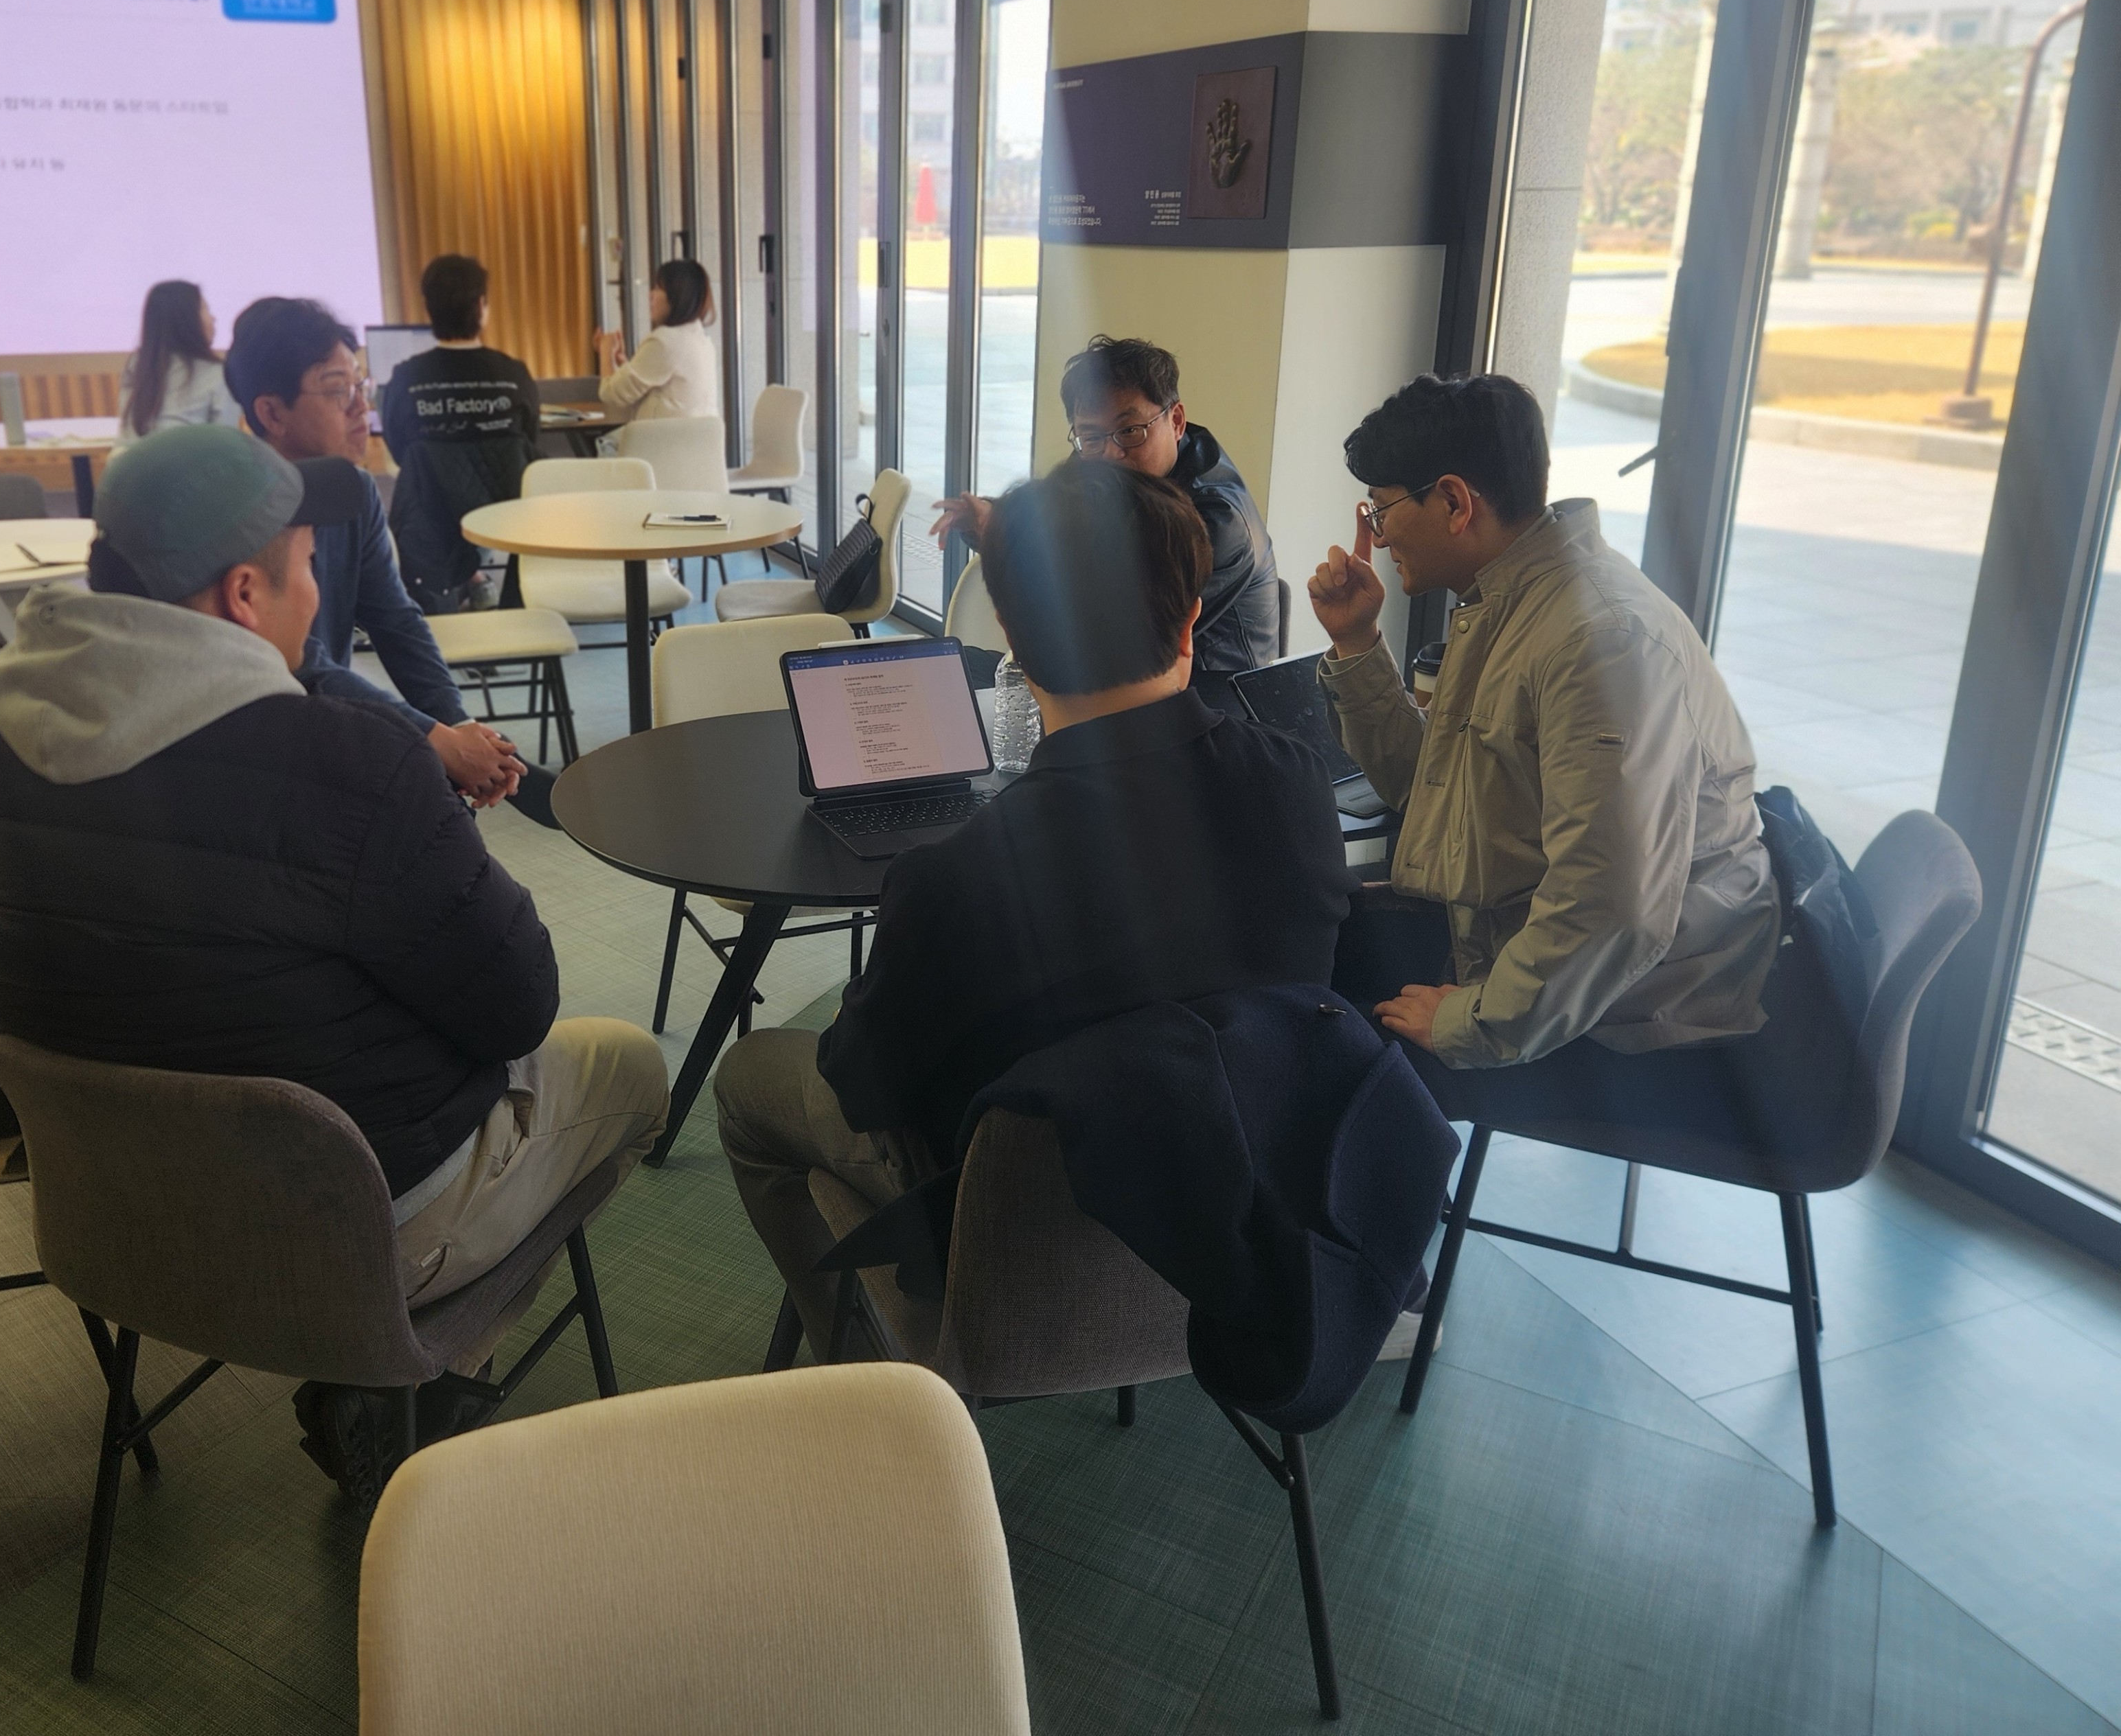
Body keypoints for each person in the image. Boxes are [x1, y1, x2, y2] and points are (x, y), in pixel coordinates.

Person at [0, 424, 667, 1495]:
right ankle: (412, 1367)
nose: (319, 598)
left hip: (112, 1218)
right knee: (632, 1069)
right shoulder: (350, 765)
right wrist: (434, 826)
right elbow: (519, 1005)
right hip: (353, 1229)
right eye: (307, 571)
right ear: (245, 594)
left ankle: (383, 1373)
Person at [715, 456, 1355, 1356]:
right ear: (1191, 618)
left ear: (1012, 632)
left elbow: (865, 1087)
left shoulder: (954, 878)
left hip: (1015, 1242)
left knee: (748, 1081)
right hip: (1244, 1232)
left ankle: (868, 1373)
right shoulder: (1296, 786)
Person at [1306, 372, 1777, 1117]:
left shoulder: (1599, 641)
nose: (1378, 535)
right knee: (1306, 940)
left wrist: (1466, 1024)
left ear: (1455, 502)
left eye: (1382, 509)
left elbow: (1613, 911)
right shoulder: (1512, 601)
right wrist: (1357, 641)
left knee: (1311, 1022)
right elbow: (1433, 796)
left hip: (1636, 1006)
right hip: (1555, 951)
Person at [225, 294, 531, 813]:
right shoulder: (241, 506)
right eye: (337, 390)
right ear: (272, 412)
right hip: (255, 745)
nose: (360, 409)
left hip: (329, 725)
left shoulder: (353, 491)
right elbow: (300, 663)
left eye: (360, 386)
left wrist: (455, 723)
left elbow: (395, 619)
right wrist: (434, 737)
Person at [934, 334, 1283, 701]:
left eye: (1130, 431)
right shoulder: (1099, 459)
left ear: (1176, 421)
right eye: (1091, 437)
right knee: (950, 669)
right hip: (1114, 682)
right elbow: (1051, 520)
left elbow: (1124, 631)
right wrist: (993, 521)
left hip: (1211, 700)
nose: (1112, 454)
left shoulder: (1219, 520)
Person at [380, 253, 541, 613]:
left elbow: (401, 450)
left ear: (429, 308)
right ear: (481, 306)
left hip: (430, 514)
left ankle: (465, 581)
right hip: (509, 510)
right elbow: (529, 442)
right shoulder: (513, 374)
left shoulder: (406, 378)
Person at [594, 257, 721, 420]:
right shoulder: (703, 342)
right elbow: (657, 390)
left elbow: (611, 395)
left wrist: (605, 352)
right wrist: (624, 365)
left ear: (677, 297)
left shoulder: (664, 342)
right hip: (697, 437)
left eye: (658, 289)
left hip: (662, 437)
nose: (650, 295)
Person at [118, 279, 239, 436]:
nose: (213, 318)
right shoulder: (219, 372)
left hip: (128, 452)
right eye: (206, 309)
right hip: (193, 453)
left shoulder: (137, 364)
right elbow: (226, 438)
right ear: (188, 319)